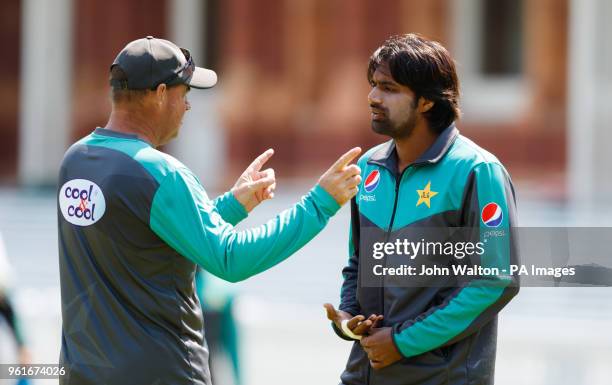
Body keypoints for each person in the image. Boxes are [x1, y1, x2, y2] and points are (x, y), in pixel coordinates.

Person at [57, 36, 362, 385]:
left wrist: (231, 206)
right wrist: (319, 203)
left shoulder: (76, 160)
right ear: (159, 93)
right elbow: (229, 259)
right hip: (162, 373)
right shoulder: (162, 173)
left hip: (83, 372)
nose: (187, 106)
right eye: (184, 93)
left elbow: (144, 236)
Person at [324, 34, 519, 385]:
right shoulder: (369, 168)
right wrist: (349, 317)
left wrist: (402, 343)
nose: (372, 97)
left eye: (389, 88)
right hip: (363, 375)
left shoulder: (478, 171)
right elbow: (358, 264)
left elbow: (494, 281)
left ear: (427, 101)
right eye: (373, 85)